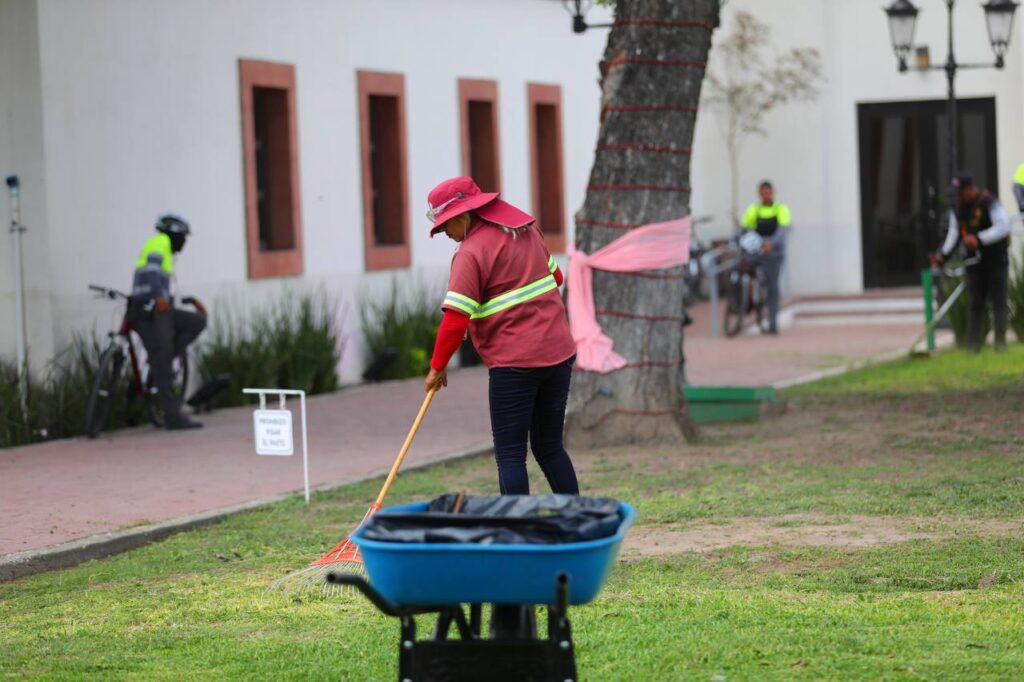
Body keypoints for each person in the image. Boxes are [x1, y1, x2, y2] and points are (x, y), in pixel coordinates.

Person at [424, 176, 578, 496]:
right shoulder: (526, 229)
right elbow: (557, 277)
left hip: (515, 362)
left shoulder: (470, 253)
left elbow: (455, 321)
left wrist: (437, 367)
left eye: (446, 227)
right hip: (559, 352)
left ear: (463, 217)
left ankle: (516, 537)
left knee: (510, 455)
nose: (446, 235)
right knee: (550, 448)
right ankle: (580, 524)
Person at [128, 214, 207, 429]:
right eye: (183, 237)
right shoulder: (160, 242)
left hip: (159, 308)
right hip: (148, 309)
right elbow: (152, 273)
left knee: (197, 321)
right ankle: (172, 416)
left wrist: (189, 301)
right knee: (161, 358)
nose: (184, 242)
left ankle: (167, 355)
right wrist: (158, 296)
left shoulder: (166, 253)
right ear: (175, 234)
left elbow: (166, 289)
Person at [931, 174, 1011, 352]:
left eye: (960, 192)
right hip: (973, 263)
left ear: (970, 189)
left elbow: (1003, 227)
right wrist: (943, 256)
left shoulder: (988, 201)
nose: (958, 196)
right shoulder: (958, 209)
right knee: (975, 304)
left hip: (996, 260)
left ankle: (1000, 344)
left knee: (998, 302)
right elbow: (954, 235)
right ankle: (973, 345)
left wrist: (979, 239)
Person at [740, 180, 791, 334]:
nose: (765, 194)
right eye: (763, 192)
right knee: (741, 269)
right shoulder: (754, 209)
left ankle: (773, 322)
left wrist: (771, 244)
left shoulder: (780, 209)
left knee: (772, 287)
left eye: (768, 191)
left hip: (773, 254)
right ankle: (746, 299)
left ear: (772, 192)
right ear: (759, 193)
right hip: (756, 252)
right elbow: (744, 228)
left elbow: (782, 231)